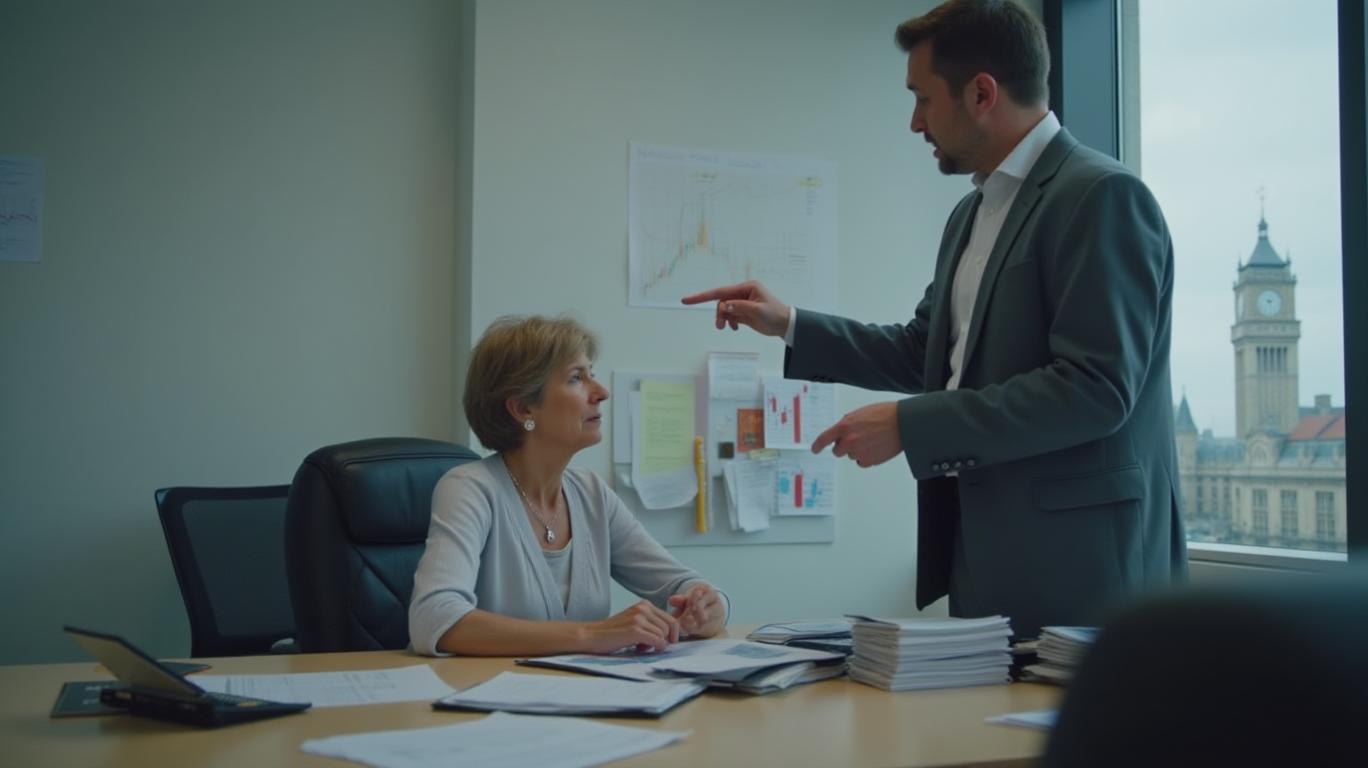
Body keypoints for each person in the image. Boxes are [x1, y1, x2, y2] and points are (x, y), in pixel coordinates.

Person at [683, 0, 1185, 638]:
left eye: (922, 98)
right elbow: (927, 352)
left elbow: (1096, 389)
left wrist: (910, 424)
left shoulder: (1101, 196)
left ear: (982, 93)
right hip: (987, 560)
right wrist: (790, 323)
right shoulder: (971, 214)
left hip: (1085, 574)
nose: (915, 122)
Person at [409, 315, 728, 656]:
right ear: (522, 408)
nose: (602, 392)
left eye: (592, 373)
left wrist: (706, 606)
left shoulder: (591, 493)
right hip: (476, 691)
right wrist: (590, 635)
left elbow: (683, 584)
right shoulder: (469, 489)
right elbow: (434, 617)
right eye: (576, 378)